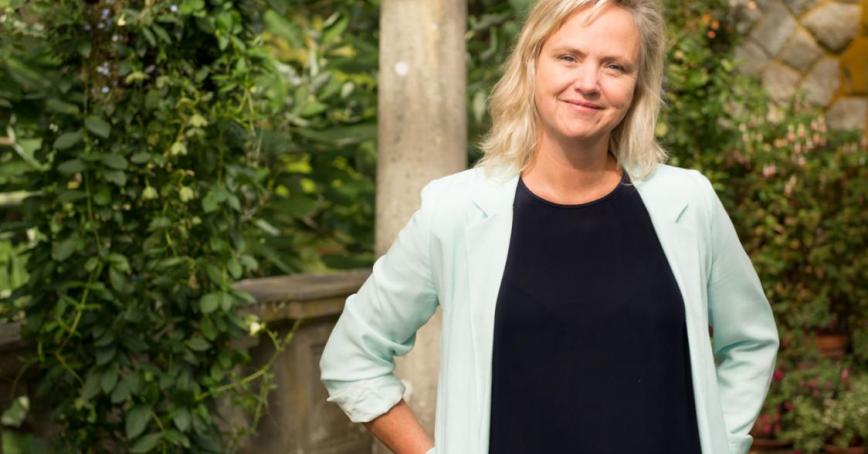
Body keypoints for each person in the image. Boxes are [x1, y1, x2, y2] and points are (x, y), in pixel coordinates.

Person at [319, 0, 779, 452]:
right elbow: (352, 357)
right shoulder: (455, 210)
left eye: (614, 67)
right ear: (532, 63)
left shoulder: (688, 203)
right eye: (569, 57)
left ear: (639, 86)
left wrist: (723, 442)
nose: (588, 83)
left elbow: (750, 342)